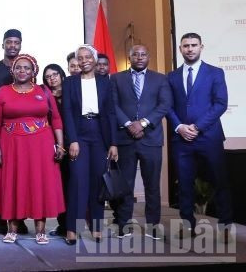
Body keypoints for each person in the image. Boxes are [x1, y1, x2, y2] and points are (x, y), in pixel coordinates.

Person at [0, 54, 65, 245]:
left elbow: (55, 119)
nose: (22, 71)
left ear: (33, 71)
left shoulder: (43, 91)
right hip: (11, 145)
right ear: (12, 70)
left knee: (40, 183)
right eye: (19, 67)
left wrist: (60, 144)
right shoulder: (3, 92)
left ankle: (40, 231)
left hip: (41, 146)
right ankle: (12, 229)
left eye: (27, 68)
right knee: (14, 183)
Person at [166, 33, 232, 239]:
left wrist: (197, 127)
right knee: (184, 184)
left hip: (209, 137)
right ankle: (187, 225)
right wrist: (179, 127)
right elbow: (167, 106)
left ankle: (225, 227)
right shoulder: (171, 76)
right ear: (180, 49)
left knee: (219, 181)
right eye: (186, 46)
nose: (190, 49)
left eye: (194, 45)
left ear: (201, 47)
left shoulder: (215, 72)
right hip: (181, 139)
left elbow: (220, 103)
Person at [110, 45, 171, 240]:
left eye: (143, 54)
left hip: (150, 139)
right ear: (129, 58)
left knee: (152, 185)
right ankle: (123, 225)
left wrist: (143, 123)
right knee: (125, 185)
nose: (139, 57)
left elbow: (165, 105)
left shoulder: (160, 79)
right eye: (135, 54)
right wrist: (129, 124)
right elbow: (113, 105)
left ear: (149, 57)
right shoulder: (117, 78)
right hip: (125, 140)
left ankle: (153, 226)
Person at [61, 44, 117, 245]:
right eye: (80, 57)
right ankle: (72, 229)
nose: (84, 60)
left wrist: (113, 143)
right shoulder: (70, 82)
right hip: (80, 134)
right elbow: (66, 112)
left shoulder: (105, 83)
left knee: (97, 183)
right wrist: (72, 140)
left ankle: (96, 228)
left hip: (100, 135)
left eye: (88, 57)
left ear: (94, 60)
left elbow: (111, 113)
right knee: (77, 181)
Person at [0, 29, 28, 234]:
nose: (12, 45)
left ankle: (19, 218)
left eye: (16, 42)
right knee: (1, 175)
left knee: (22, 175)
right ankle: (1, 219)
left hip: (22, 133)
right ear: (3, 45)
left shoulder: (26, 68)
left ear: (20, 45)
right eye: (9, 42)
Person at [42, 64, 70, 238]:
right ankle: (63, 225)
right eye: (48, 76)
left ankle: (74, 226)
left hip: (73, 144)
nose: (52, 78)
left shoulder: (72, 94)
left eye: (55, 74)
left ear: (62, 75)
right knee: (58, 187)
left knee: (72, 187)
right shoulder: (43, 97)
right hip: (51, 147)